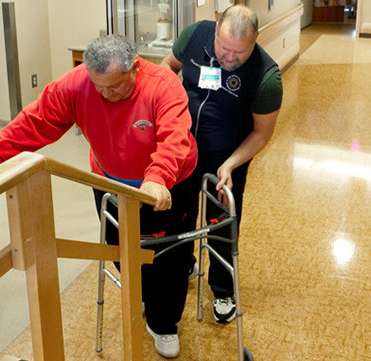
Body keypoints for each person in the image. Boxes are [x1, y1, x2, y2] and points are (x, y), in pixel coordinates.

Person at [0, 34, 199, 358]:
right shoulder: (78, 83)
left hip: (167, 184)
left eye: (113, 87)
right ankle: (144, 291)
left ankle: (164, 321)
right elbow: (37, 120)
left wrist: (157, 179)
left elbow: (174, 139)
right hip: (109, 182)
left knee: (169, 256)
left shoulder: (162, 85)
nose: (104, 94)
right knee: (119, 248)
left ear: (135, 69)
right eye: (99, 86)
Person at [161, 4, 283, 324]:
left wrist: (230, 164)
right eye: (224, 48)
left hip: (226, 158)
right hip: (181, 151)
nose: (229, 58)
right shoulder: (193, 35)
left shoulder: (266, 77)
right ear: (215, 32)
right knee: (178, 215)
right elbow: (167, 67)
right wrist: (166, 116)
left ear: (255, 42)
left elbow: (261, 134)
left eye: (238, 53)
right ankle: (183, 264)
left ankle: (223, 290)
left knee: (221, 226)